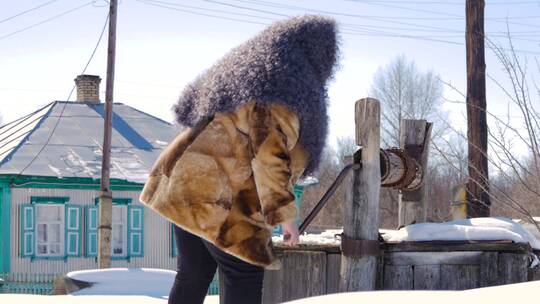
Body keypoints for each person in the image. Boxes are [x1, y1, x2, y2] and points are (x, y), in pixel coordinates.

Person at [140, 15, 339, 304]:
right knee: (243, 278)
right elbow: (268, 154)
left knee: (193, 274)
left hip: (185, 184)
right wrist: (286, 217)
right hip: (225, 197)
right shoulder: (287, 90)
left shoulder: (246, 73)